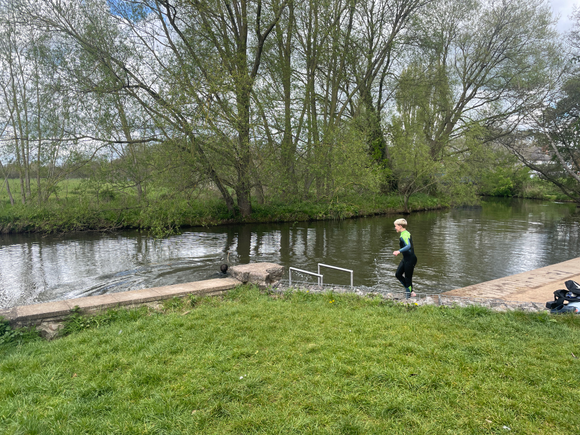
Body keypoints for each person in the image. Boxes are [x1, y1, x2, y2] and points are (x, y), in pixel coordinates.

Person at [392, 218, 417, 298]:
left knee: (408, 278)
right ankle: (411, 291)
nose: (395, 228)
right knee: (398, 274)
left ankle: (408, 298)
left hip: (410, 259)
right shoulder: (403, 233)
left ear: (400, 226)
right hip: (406, 258)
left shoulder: (405, 234)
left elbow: (408, 246)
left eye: (395, 226)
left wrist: (399, 251)